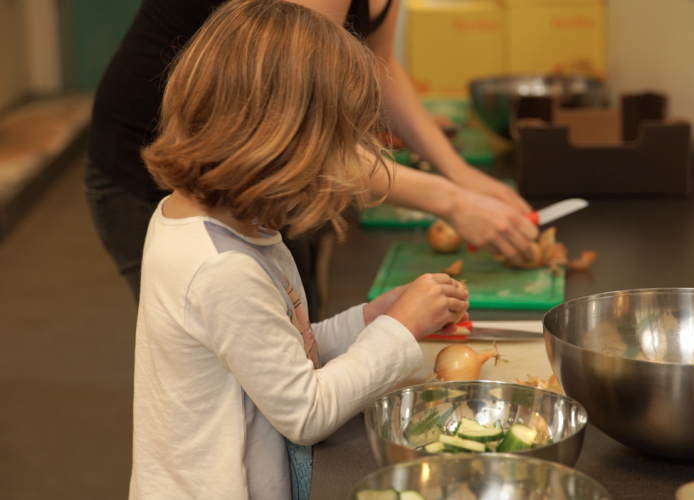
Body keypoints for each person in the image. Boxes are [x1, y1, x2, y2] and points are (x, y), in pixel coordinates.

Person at [131, 1, 469, 498]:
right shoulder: (221, 268)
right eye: (331, 149)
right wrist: (401, 331)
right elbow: (306, 412)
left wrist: (369, 320)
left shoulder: (225, 225)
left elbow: (279, 347)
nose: (337, 172)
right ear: (276, 145)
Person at [85, 0, 538, 312]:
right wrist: (451, 201)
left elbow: (379, 63)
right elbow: (295, 130)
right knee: (229, 371)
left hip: (253, 177)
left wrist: (458, 174)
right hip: (161, 169)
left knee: (292, 340)